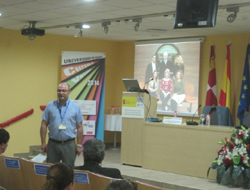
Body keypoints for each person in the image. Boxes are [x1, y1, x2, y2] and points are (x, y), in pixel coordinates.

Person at [40, 82, 84, 167]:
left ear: (69, 92)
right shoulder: (50, 106)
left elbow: (79, 127)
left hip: (69, 144)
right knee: (51, 169)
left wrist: (79, 145)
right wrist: (43, 142)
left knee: (68, 169)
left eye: (64, 91)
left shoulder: (75, 107)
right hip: (53, 144)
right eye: (59, 91)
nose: (61, 93)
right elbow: (43, 124)